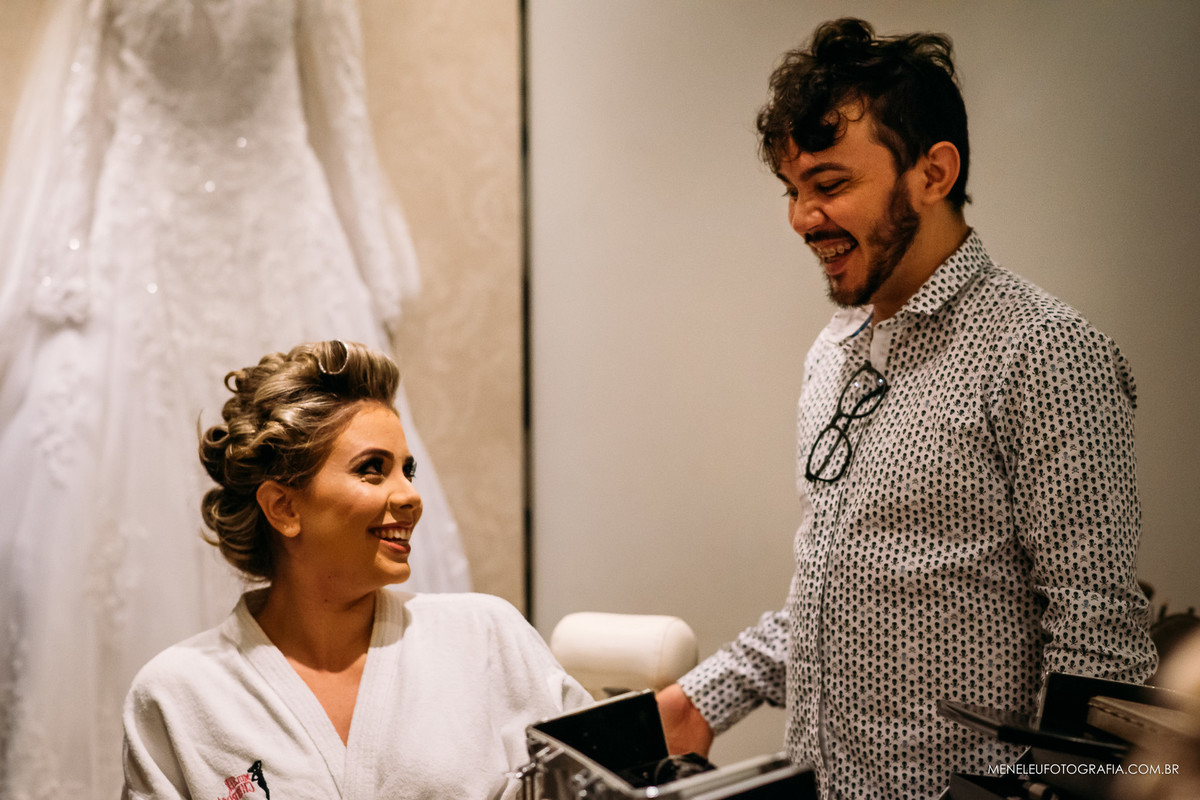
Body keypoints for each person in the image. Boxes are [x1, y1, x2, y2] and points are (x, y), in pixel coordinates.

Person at [655, 17, 1156, 799]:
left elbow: (1101, 653)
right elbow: (840, 597)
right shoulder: (833, 352)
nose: (802, 218)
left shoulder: (1044, 351)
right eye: (793, 191)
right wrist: (705, 698)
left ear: (933, 172)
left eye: (830, 185)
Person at [0, 2, 469, 795]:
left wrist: (371, 248)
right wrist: (63, 263)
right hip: (142, 241)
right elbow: (80, 103)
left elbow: (341, 105)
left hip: (276, 225)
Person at [121, 340, 592, 800]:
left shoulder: (486, 636)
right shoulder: (177, 695)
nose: (411, 496)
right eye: (372, 469)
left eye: (407, 471)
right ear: (283, 507)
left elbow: (603, 778)